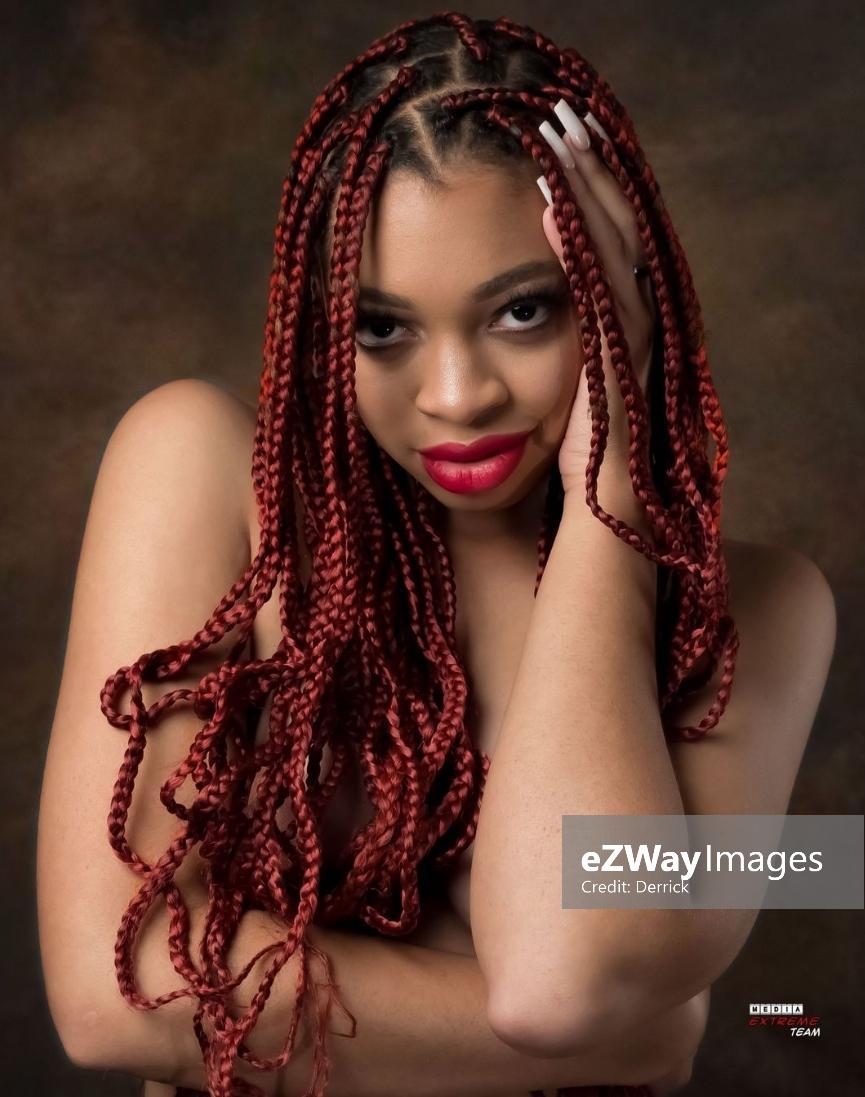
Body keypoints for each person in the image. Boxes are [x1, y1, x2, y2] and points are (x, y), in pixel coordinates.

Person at [37, 11, 836, 1097]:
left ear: (618, 300)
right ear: (324, 325)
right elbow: (116, 994)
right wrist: (627, 1041)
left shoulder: (757, 614)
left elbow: (557, 981)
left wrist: (607, 492)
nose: (456, 397)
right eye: (382, 327)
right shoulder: (202, 475)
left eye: (522, 311)